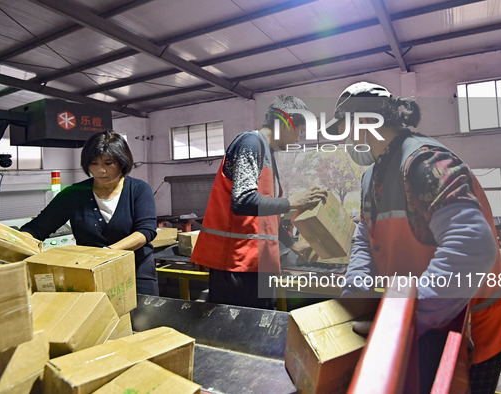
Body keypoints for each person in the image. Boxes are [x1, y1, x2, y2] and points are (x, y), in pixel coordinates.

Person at [331, 82, 501, 393]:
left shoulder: (425, 161)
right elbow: (366, 235)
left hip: (472, 325)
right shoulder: (372, 176)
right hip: (428, 322)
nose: (346, 140)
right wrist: (357, 292)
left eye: (346, 129)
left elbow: (472, 246)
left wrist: (405, 319)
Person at [191, 95, 328, 309]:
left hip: (256, 263)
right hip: (236, 264)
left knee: (263, 324)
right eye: (299, 131)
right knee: (242, 331)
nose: (298, 139)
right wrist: (292, 202)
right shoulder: (250, 143)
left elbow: (266, 215)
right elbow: (243, 200)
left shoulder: (267, 153)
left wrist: (292, 244)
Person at [20, 130, 159, 296]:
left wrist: (108, 252)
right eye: (94, 163)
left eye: (108, 163)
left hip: (136, 270)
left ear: (122, 162)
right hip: (90, 272)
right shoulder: (74, 194)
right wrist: (12, 243)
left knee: (143, 319)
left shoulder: (139, 189)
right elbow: (37, 228)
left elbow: (146, 231)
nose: (100, 170)